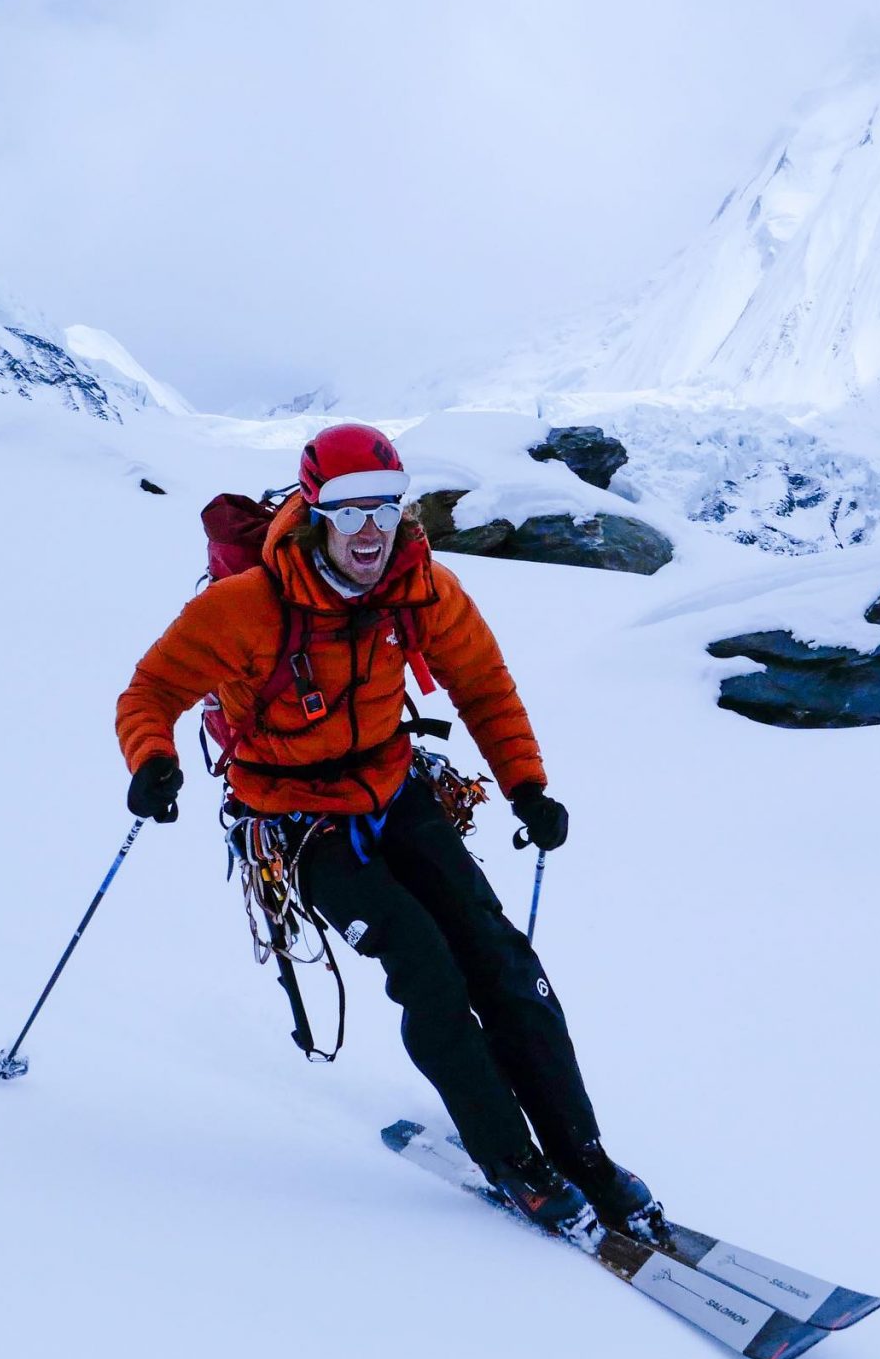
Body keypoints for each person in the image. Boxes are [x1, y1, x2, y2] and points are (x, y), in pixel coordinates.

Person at [116, 423, 661, 1241]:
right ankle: (515, 1165)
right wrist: (152, 758)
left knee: (503, 963)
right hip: (295, 822)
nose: (369, 526)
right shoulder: (244, 609)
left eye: (384, 506)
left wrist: (527, 785)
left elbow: (482, 684)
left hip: (394, 791)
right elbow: (151, 690)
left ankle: (584, 1156)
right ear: (314, 511)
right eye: (347, 508)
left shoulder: (422, 588)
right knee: (427, 968)